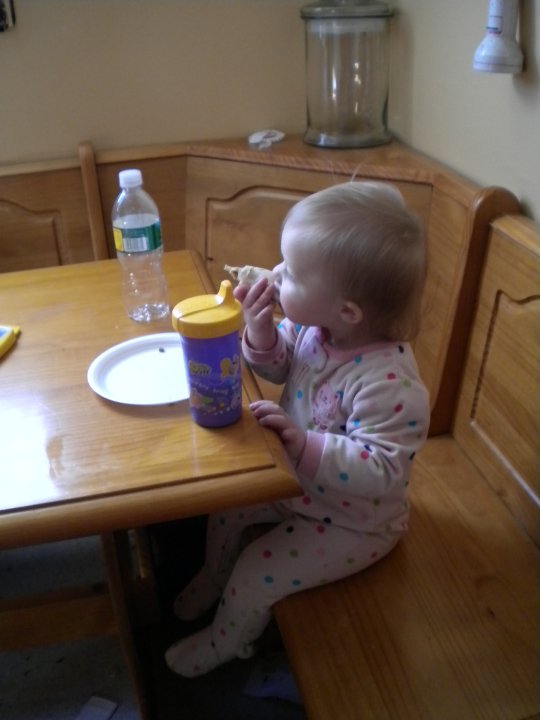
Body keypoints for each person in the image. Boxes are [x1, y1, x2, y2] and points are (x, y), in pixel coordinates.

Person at [165, 181, 430, 677]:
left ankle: (227, 641)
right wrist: (261, 330)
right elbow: (281, 364)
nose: (277, 272)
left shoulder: (390, 384)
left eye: (292, 271)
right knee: (227, 506)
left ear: (347, 310)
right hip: (295, 481)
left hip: (353, 519)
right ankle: (213, 575)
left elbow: (383, 469)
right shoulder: (317, 327)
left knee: (256, 572)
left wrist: (304, 443)